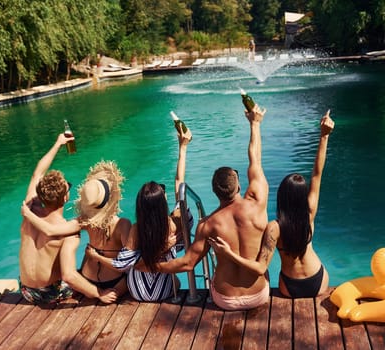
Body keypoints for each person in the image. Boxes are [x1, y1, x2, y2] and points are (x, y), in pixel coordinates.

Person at [140, 104, 270, 311]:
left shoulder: (207, 225)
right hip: (258, 295)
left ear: (215, 192)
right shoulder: (257, 204)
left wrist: (153, 266)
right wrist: (255, 124)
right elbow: (255, 161)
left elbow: (187, 263)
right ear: (238, 186)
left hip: (225, 300)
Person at [209, 110, 334, 298]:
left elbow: (260, 267)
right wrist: (324, 136)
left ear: (281, 197)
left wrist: (229, 254)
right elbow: (317, 174)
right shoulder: (309, 213)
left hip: (289, 287)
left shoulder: (274, 228)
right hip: (318, 280)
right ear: (302, 196)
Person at [86, 123, 193, 302]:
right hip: (164, 291)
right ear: (162, 202)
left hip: (136, 291)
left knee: (132, 270)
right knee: (175, 282)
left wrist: (95, 256)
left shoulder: (136, 229)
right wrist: (183, 147)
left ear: (140, 206)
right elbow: (179, 182)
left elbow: (121, 265)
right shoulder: (174, 224)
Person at [19, 134, 116, 305]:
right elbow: (68, 276)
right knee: (87, 272)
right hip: (50, 293)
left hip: (26, 290)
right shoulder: (69, 230)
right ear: (65, 198)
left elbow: (37, 173)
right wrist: (98, 293)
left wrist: (58, 144)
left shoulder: (29, 207)